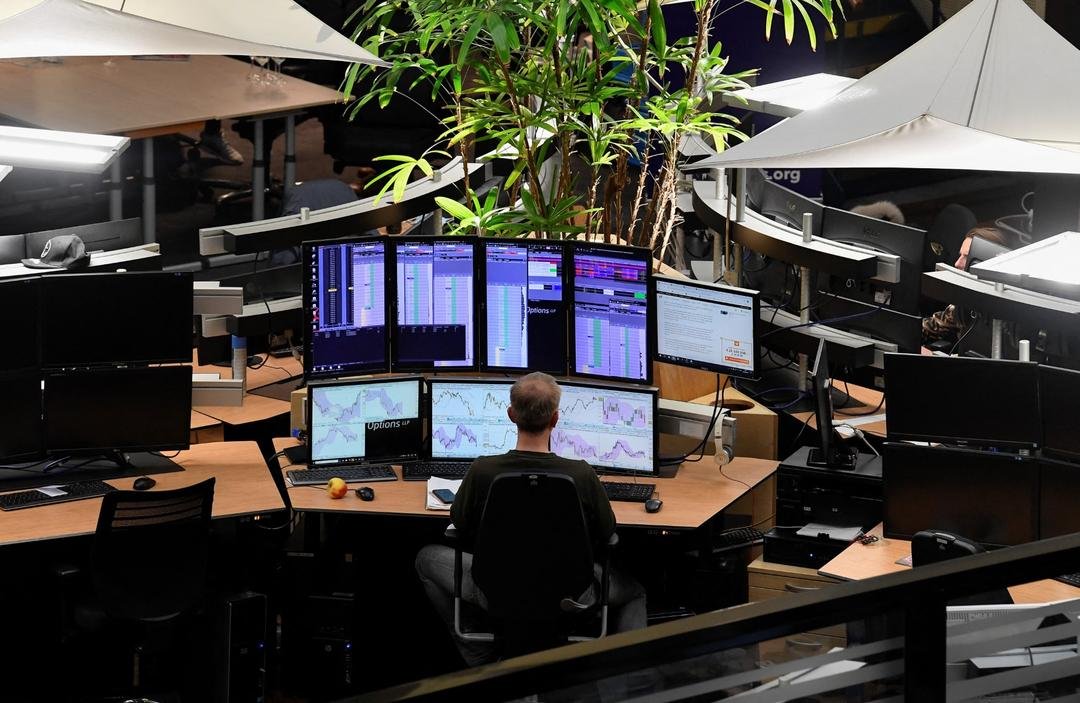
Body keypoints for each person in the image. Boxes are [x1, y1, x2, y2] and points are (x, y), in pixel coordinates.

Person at [415, 372, 647, 666]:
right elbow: (607, 532)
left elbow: (458, 523)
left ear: (511, 415)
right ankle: (630, 676)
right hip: (573, 594)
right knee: (635, 592)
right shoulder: (581, 474)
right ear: (555, 419)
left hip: (494, 592)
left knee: (425, 559)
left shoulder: (483, 470)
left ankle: (481, 659)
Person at [922, 226, 1009, 346]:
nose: (957, 263)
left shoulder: (1011, 314)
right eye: (960, 255)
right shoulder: (963, 304)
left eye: (966, 257)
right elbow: (931, 328)